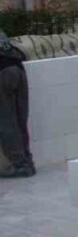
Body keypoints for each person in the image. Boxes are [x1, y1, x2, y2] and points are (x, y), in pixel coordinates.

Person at [0, 29, 34, 178]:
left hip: (2, 73)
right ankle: (28, 162)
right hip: (18, 69)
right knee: (20, 120)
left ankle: (19, 165)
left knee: (6, 121)